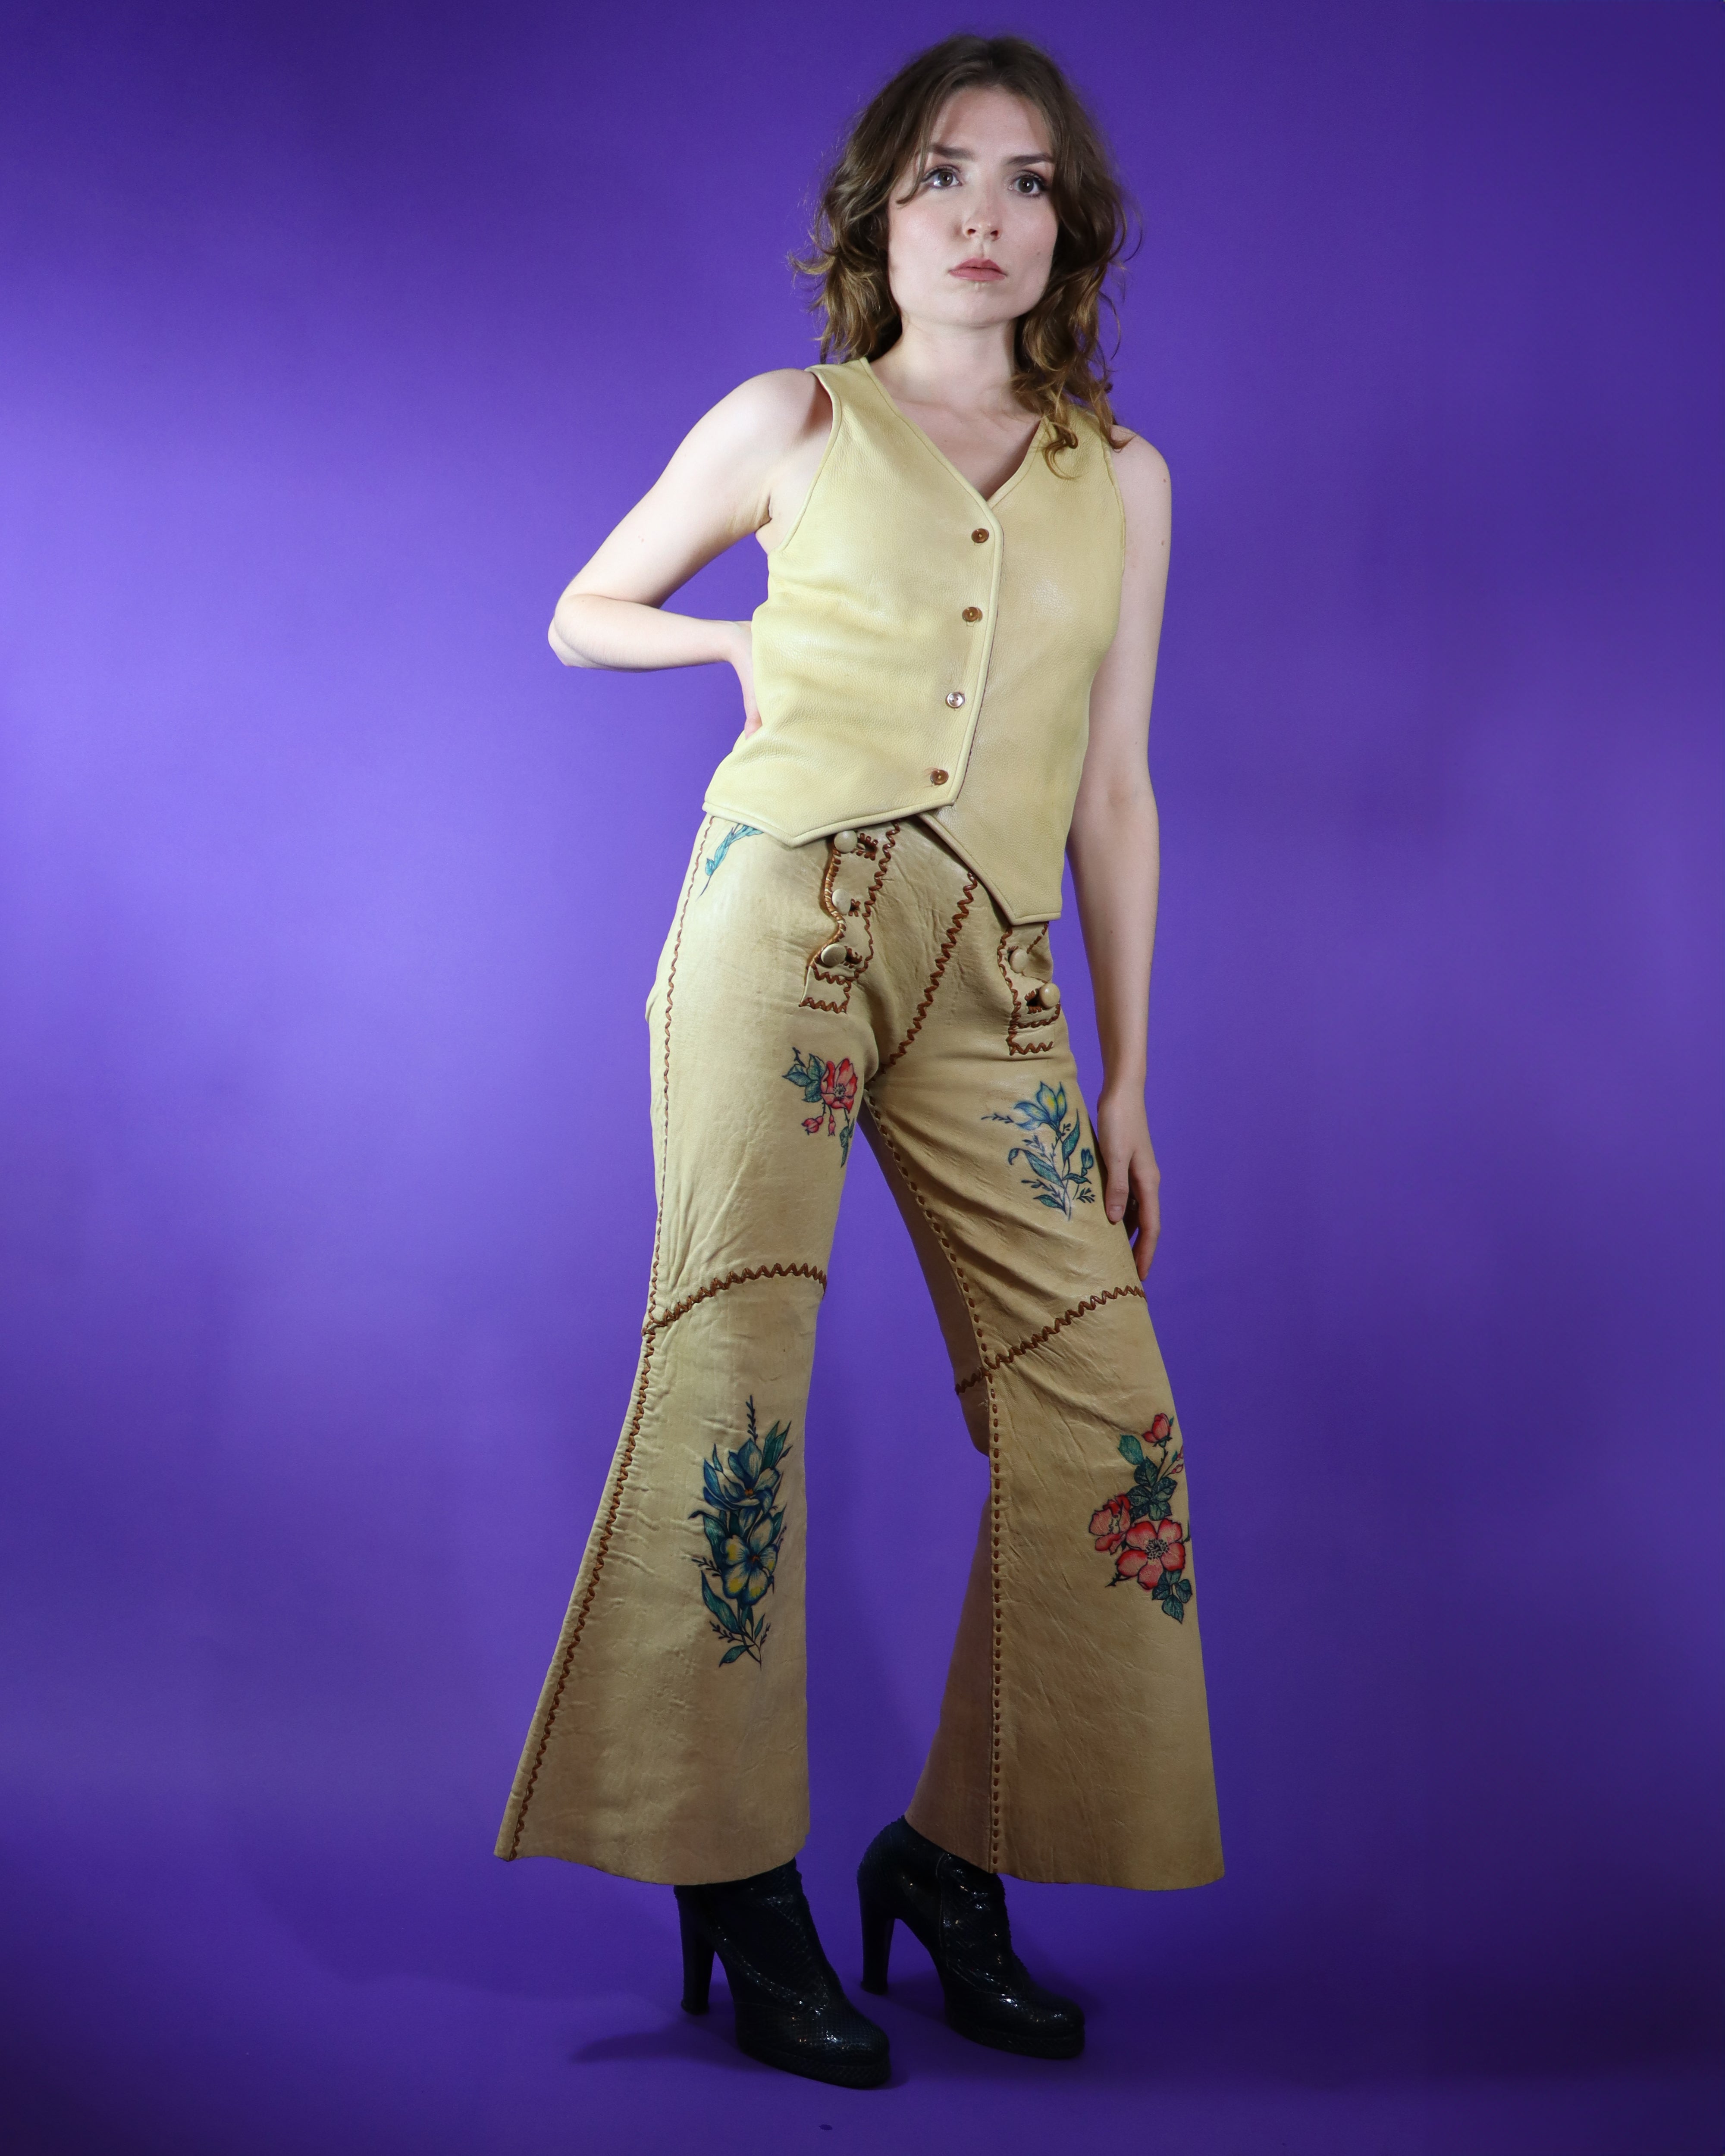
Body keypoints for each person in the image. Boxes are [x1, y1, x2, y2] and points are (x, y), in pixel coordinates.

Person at [496, 33, 1223, 2088]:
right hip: (781, 928)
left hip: (996, 974)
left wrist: (1129, 1077)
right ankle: (730, 1866)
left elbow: (1114, 791)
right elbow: (581, 610)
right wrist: (729, 642)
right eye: (939, 177)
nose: (983, 214)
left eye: (1024, 181)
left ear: (1066, 230)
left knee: (1104, 1410)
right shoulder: (790, 421)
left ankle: (949, 1851)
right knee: (730, 1379)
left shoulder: (1123, 478)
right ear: (877, 220)